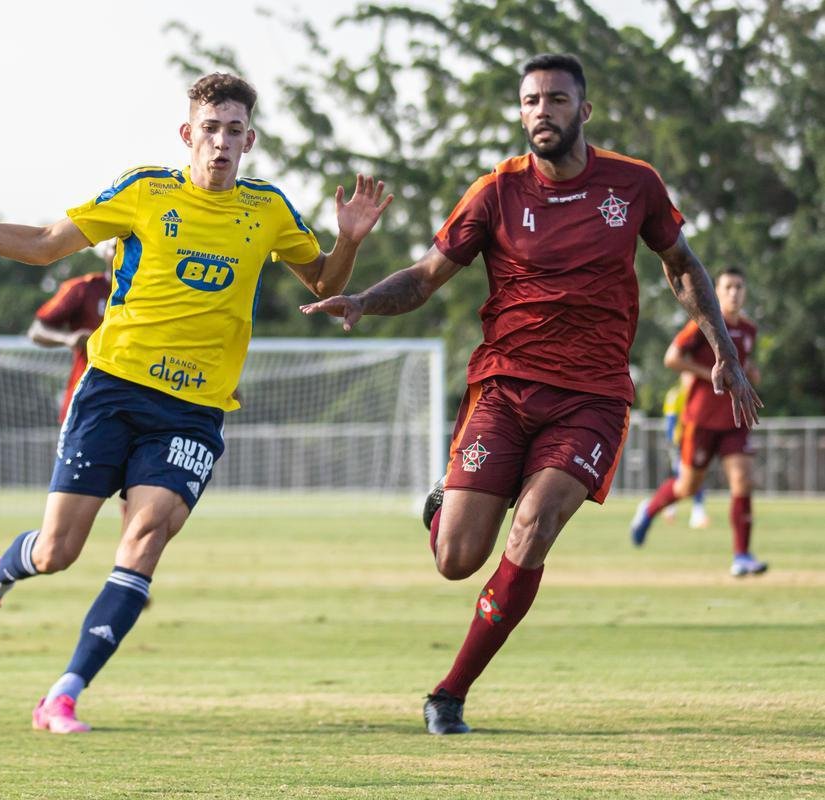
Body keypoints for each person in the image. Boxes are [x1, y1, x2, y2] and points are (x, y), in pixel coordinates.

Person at [0, 72, 392, 734]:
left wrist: (349, 238)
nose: (221, 143)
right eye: (210, 129)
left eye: (234, 132)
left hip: (193, 410)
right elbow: (44, 246)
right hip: (112, 391)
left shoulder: (268, 209)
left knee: (146, 535)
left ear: (250, 140)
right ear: (188, 135)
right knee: (57, 551)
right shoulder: (144, 192)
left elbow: (324, 280)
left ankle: (63, 693)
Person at [301, 53, 761, 735]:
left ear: (583, 110)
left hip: (591, 397)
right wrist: (363, 301)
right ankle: (444, 500)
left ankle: (448, 694)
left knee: (534, 525)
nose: (540, 112)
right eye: (529, 102)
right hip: (504, 390)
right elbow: (427, 276)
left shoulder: (633, 184)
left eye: (554, 99)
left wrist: (722, 348)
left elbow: (680, 265)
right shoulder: (493, 193)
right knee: (456, 560)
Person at [630, 267, 764, 575]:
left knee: (743, 480)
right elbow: (671, 358)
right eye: (728, 287)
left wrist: (747, 373)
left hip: (734, 417)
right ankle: (649, 510)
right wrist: (715, 374)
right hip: (700, 420)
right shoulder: (703, 326)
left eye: (739, 287)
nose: (734, 293)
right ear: (716, 291)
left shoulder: (749, 329)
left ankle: (741, 556)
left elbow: (745, 362)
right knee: (687, 487)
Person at [29, 240, 115, 424]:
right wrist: (68, 338)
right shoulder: (84, 289)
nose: (122, 253)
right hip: (87, 399)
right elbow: (37, 330)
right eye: (116, 247)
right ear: (104, 252)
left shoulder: (151, 296)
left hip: (136, 400)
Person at [658, 374, 709, 529]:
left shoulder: (699, 394)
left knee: (687, 476)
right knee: (686, 476)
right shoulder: (675, 395)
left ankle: (671, 509)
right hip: (680, 443)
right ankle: (695, 513)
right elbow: (670, 421)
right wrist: (673, 442)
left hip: (694, 441)